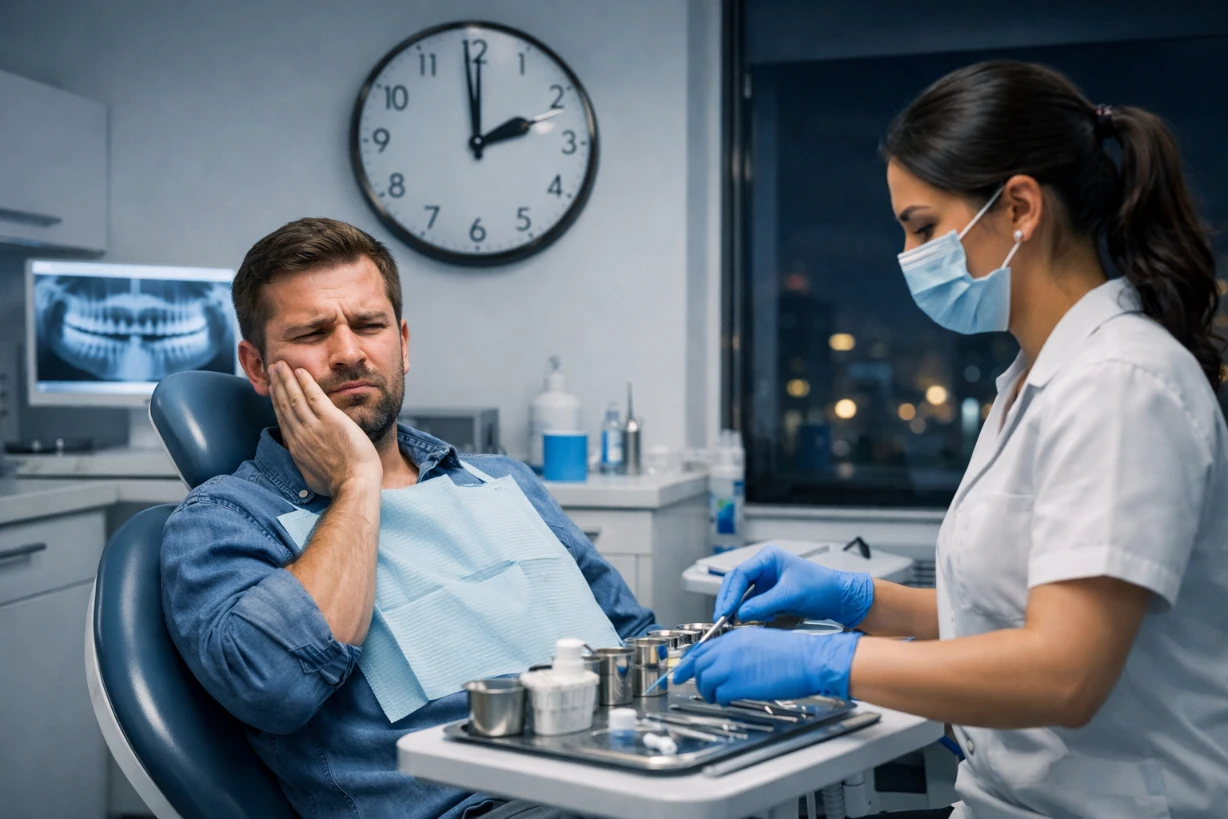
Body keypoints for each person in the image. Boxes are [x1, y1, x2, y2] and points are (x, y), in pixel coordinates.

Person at [673, 60, 1228, 818]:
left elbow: (1063, 670)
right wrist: (862, 601)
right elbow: (1010, 608)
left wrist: (828, 660)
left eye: (924, 227)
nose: (909, 257)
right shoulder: (1032, 382)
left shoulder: (1124, 383)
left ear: (1020, 207)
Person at [161, 217, 655, 819]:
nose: (348, 353)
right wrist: (355, 485)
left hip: (640, 771)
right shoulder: (225, 521)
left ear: (403, 342)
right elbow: (273, 689)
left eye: (368, 325)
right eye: (314, 333)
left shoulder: (501, 480)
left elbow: (635, 641)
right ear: (258, 366)